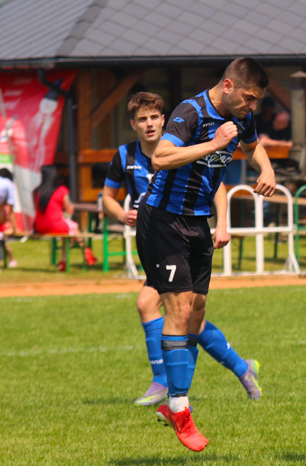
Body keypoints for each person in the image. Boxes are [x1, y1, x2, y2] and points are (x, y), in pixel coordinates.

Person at [136, 58, 276, 452]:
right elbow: (160, 157)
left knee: (195, 314)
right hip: (163, 219)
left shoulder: (242, 116)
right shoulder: (190, 112)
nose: (252, 107)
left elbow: (253, 147)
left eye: (256, 101)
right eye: (249, 98)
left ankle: (228, 373)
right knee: (178, 310)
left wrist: (266, 169)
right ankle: (178, 408)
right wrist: (214, 144)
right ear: (228, 85)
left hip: (198, 222)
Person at [101, 92, 263, 409]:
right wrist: (120, 214)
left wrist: (222, 224)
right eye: (142, 120)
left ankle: (166, 383)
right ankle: (239, 369)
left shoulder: (184, 146)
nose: (149, 124)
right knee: (179, 315)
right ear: (132, 124)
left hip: (184, 231)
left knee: (169, 309)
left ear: (164, 120)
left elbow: (216, 187)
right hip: (158, 234)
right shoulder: (125, 156)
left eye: (154, 118)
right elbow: (106, 197)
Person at [33, 165, 96, 271]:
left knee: (69, 231)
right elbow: (70, 209)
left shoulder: (37, 191)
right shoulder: (61, 190)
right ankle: (85, 249)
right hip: (55, 225)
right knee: (73, 228)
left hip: (40, 226)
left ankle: (68, 259)